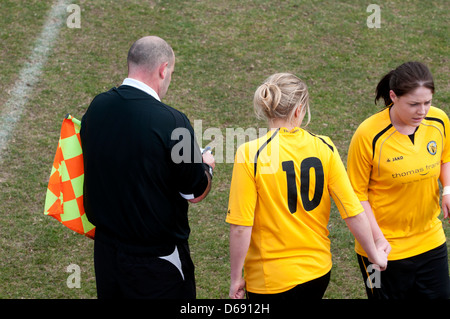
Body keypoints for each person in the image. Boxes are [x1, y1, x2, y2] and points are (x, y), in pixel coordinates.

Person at [226, 73, 387, 300]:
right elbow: (352, 212)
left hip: (271, 280)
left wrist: (235, 279)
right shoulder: (325, 146)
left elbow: (241, 227)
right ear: (298, 111)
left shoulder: (250, 153)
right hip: (318, 272)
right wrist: (374, 254)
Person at [80, 36, 215, 299]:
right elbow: (195, 192)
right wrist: (205, 166)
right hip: (158, 263)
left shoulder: (96, 106)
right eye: (171, 73)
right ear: (163, 69)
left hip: (107, 255)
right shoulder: (174, 121)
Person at [347, 61, 450, 299]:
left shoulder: (439, 120)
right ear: (393, 96)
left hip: (430, 241)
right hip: (383, 250)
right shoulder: (367, 135)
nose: (422, 111)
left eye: (427, 102)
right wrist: (378, 241)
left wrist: (447, 190)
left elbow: (446, 156)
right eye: (414, 104)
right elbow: (356, 196)